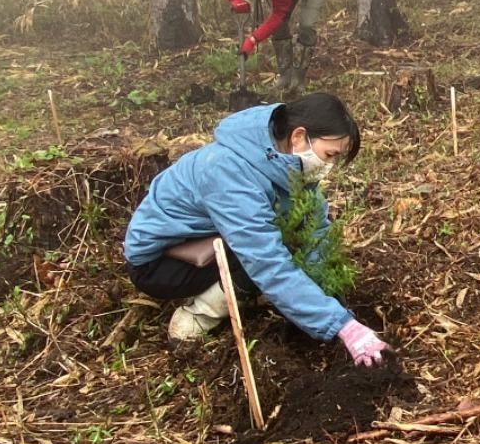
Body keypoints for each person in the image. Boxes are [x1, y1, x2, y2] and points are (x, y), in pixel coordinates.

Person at [123, 93, 389, 367]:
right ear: (299, 136)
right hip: (159, 264)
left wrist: (329, 296)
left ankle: (257, 295)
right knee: (261, 261)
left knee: (283, 243)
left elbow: (315, 232)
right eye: (329, 155)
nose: (329, 166)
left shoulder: (286, 162)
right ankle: (197, 316)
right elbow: (266, 262)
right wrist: (340, 325)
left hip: (208, 241)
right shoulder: (227, 170)